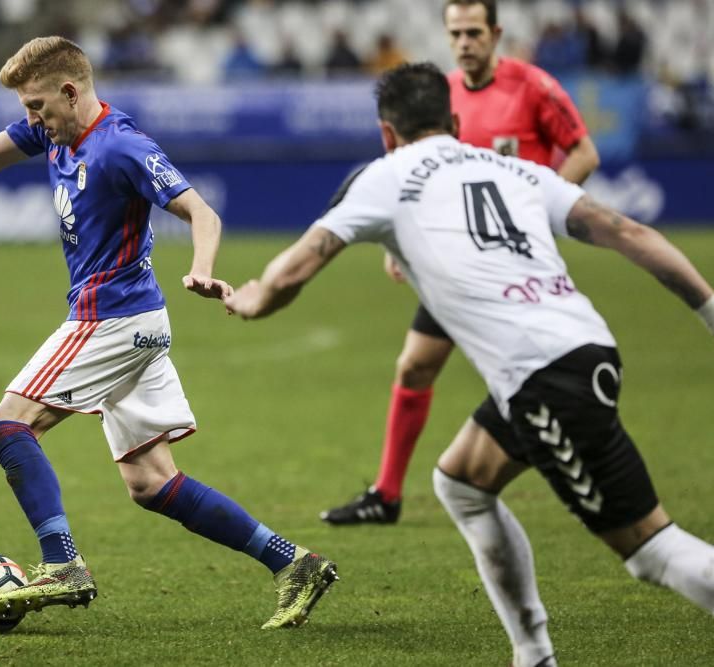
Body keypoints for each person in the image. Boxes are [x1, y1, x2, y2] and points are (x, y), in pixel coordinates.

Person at [224, 61, 714, 667]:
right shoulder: (515, 168)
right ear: (454, 121)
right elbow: (624, 229)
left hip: (545, 377)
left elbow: (298, 264)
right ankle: (532, 654)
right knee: (461, 482)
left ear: (387, 132)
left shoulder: (385, 175)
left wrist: (251, 299)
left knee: (650, 550)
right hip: (582, 347)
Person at [0, 36, 337, 629]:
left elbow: (203, 212)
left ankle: (61, 564)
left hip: (110, 318)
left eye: (38, 105)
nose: (30, 119)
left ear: (71, 92)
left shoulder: (121, 145)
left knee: (8, 425)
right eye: (26, 109)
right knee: (151, 483)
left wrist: (201, 270)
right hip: (137, 323)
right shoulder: (52, 130)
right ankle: (293, 563)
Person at [322, 0, 601, 526]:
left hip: (515, 265)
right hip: (458, 264)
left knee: (526, 372)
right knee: (415, 364)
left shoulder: (534, 86)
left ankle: (580, 466)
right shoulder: (440, 99)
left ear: (495, 33)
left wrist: (534, 205)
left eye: (474, 32)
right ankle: (387, 494)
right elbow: (409, 175)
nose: (465, 43)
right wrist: (398, 246)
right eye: (456, 34)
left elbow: (584, 152)